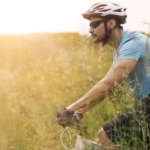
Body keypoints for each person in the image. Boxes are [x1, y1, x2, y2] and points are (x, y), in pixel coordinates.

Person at [56, 1, 150, 149]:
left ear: (111, 23)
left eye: (94, 25)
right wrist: (80, 112)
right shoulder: (119, 50)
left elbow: (106, 85)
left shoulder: (132, 43)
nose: (90, 30)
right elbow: (107, 88)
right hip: (147, 105)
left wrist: (70, 109)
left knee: (106, 136)